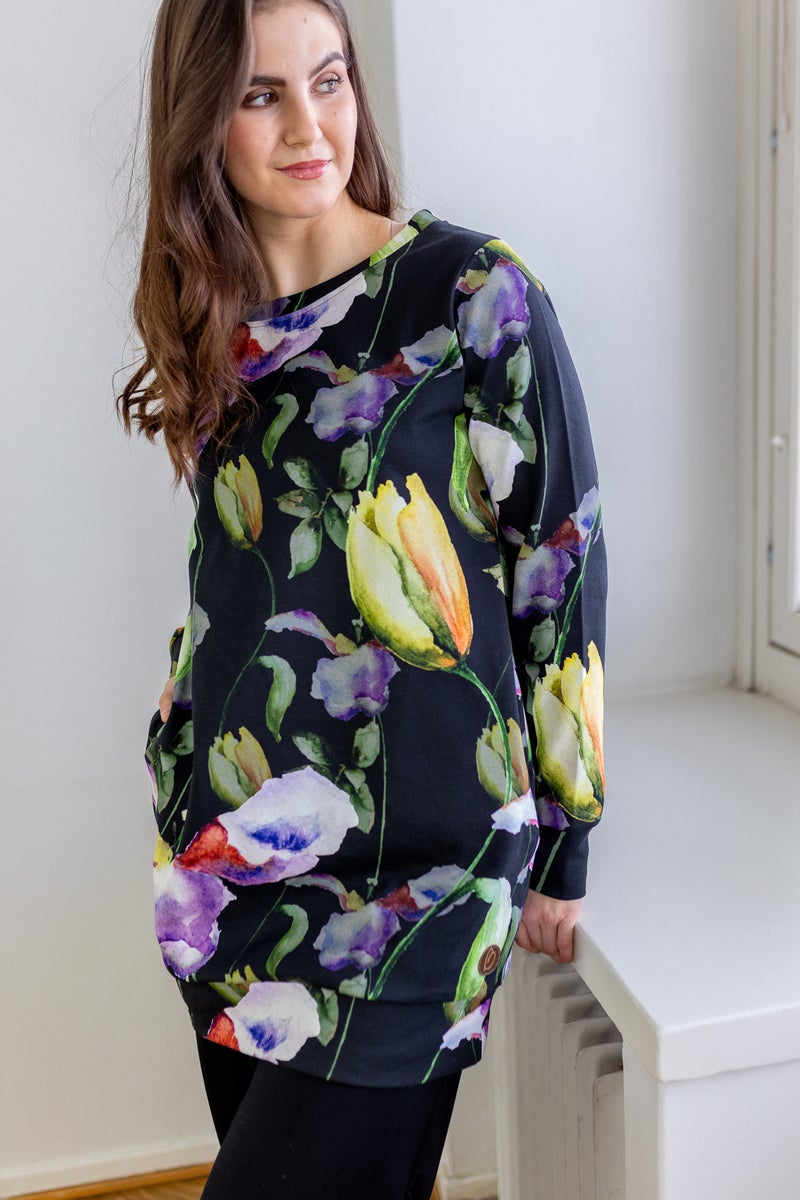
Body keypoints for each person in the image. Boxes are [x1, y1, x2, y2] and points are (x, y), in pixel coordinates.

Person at [119, 1, 607, 1196]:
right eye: (260, 94)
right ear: (200, 123)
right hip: (232, 879)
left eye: (328, 80)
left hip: (424, 891)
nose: (308, 125)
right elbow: (238, 577)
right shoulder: (219, 321)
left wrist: (566, 842)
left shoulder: (472, 296)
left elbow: (558, 561)